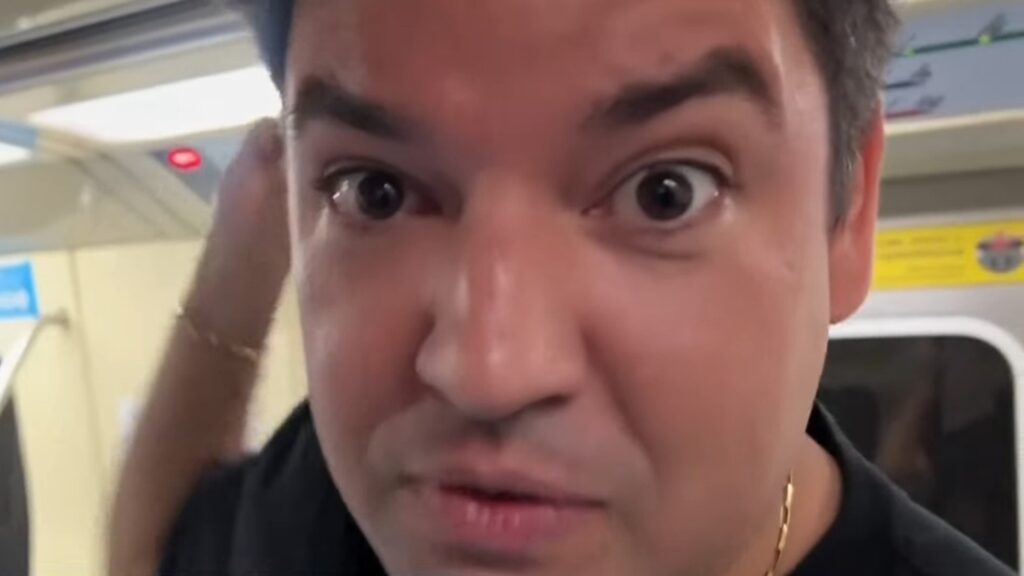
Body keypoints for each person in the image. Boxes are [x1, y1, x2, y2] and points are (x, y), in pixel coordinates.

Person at [108, 1, 1016, 575]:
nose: (488, 371)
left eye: (666, 192)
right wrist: (241, 249)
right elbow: (160, 551)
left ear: (848, 216)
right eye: (374, 191)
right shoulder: (331, 500)